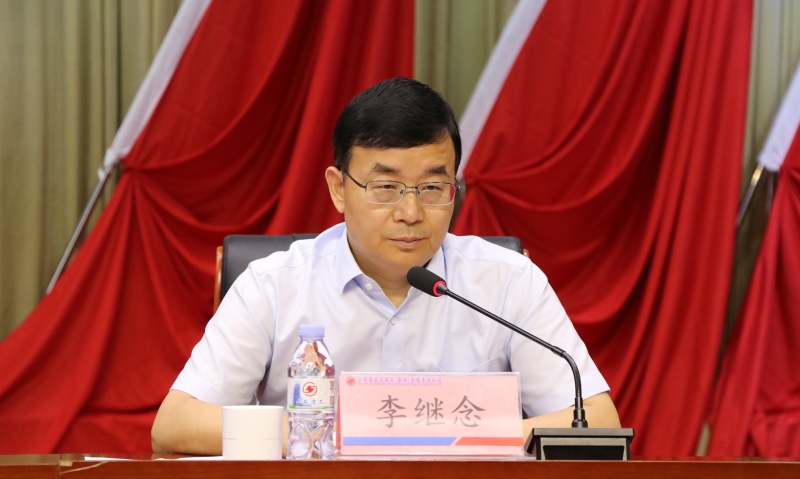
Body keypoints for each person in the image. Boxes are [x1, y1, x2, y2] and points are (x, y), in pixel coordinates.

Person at [151, 77, 620, 455]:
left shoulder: (507, 281)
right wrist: (335, 431)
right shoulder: (273, 285)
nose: (411, 213)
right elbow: (176, 424)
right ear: (339, 189)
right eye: (386, 188)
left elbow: (596, 420)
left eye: (432, 188)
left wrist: (455, 435)